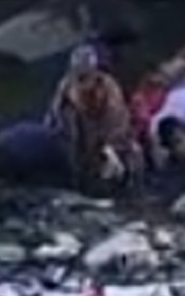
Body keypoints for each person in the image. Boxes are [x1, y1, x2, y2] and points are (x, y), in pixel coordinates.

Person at [45, 44, 142, 192]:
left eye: (85, 76)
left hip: (108, 144)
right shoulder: (66, 86)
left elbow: (118, 124)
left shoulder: (109, 89)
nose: (82, 83)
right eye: (78, 76)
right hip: (78, 142)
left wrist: (110, 149)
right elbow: (54, 114)